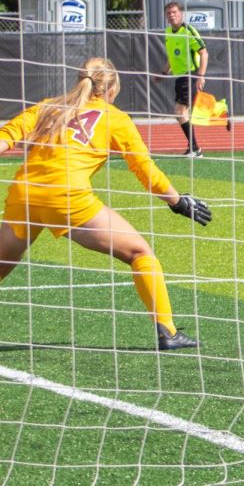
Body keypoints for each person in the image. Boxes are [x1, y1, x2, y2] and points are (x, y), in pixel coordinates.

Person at [0, 58, 212, 350]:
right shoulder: (115, 118)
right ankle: (169, 332)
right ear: (111, 89)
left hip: (24, 195)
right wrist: (178, 202)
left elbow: (6, 137)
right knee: (140, 252)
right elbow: (144, 170)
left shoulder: (49, 106)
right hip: (67, 198)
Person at [156, 1, 208, 157]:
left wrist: (201, 76)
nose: (172, 16)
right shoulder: (168, 32)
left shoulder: (189, 31)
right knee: (183, 112)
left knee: (180, 111)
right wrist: (164, 73)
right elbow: (172, 57)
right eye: (169, 13)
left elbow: (204, 53)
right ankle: (194, 148)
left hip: (190, 75)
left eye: (174, 12)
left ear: (181, 14)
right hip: (179, 77)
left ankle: (195, 148)